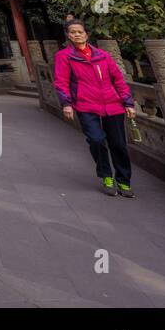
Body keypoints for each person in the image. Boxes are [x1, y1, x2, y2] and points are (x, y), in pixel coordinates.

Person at [54, 18, 138, 197]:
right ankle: (106, 175)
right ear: (68, 36)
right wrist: (66, 103)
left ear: (86, 34)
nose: (77, 34)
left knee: (119, 144)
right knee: (96, 140)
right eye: (73, 32)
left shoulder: (102, 55)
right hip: (86, 104)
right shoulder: (64, 56)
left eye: (80, 31)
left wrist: (128, 102)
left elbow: (118, 80)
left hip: (112, 103)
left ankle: (124, 181)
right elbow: (61, 82)